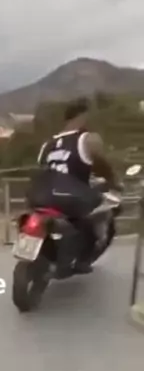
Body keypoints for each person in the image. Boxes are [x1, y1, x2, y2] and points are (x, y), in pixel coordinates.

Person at [27, 97, 120, 274]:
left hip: (42, 196)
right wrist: (113, 181)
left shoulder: (47, 145)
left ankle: (54, 253)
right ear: (83, 116)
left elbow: (42, 170)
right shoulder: (88, 139)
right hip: (71, 198)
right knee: (96, 215)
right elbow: (102, 164)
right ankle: (81, 261)